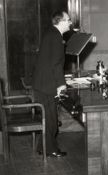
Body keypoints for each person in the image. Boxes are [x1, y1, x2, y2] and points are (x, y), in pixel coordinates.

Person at [32, 11, 72, 157]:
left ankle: (42, 147)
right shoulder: (56, 37)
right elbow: (56, 64)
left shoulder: (51, 33)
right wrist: (61, 84)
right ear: (60, 21)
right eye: (68, 20)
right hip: (47, 84)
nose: (70, 22)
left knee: (49, 119)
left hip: (42, 82)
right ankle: (50, 150)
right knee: (51, 121)